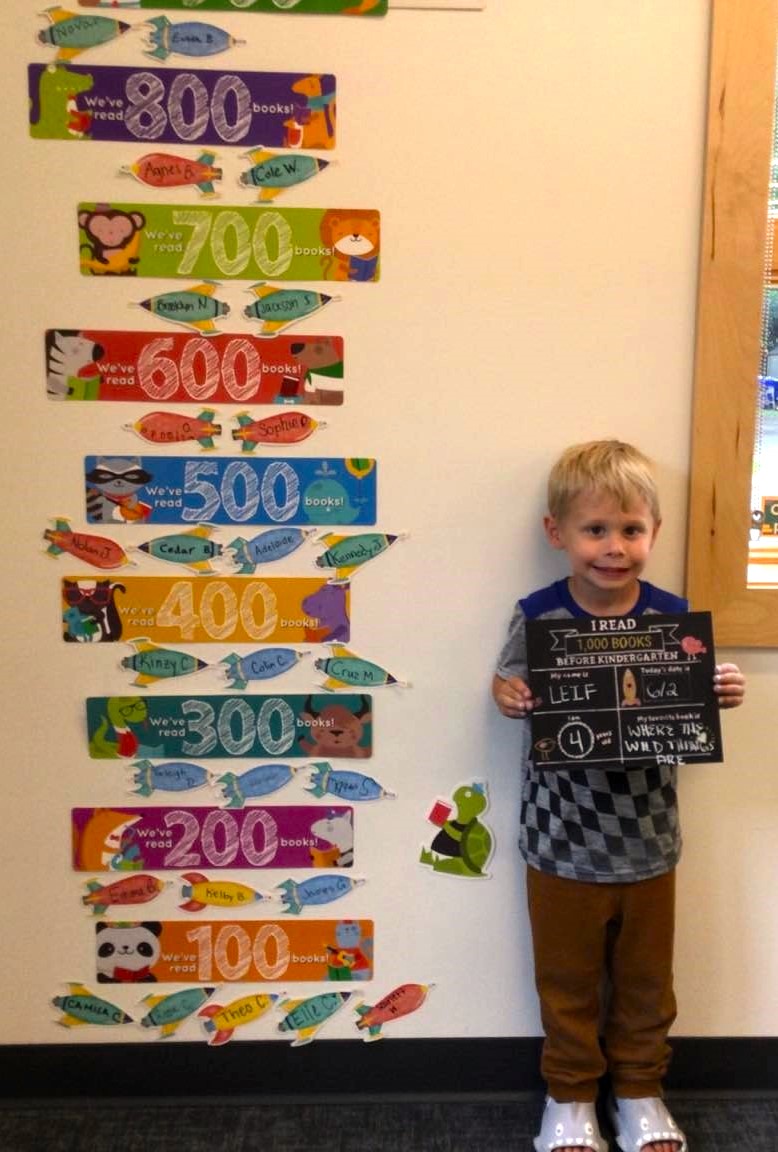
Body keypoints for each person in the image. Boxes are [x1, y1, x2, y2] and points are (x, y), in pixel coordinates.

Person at [492, 441, 745, 1152]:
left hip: (648, 838)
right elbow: (506, 678)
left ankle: (639, 1089)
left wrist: (720, 691)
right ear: (558, 534)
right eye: (595, 530)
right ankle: (569, 1097)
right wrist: (509, 694)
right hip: (559, 840)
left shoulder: (673, 618)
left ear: (654, 533)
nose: (614, 547)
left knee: (645, 983)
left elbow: (689, 704)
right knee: (566, 981)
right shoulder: (538, 614)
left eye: (630, 529)